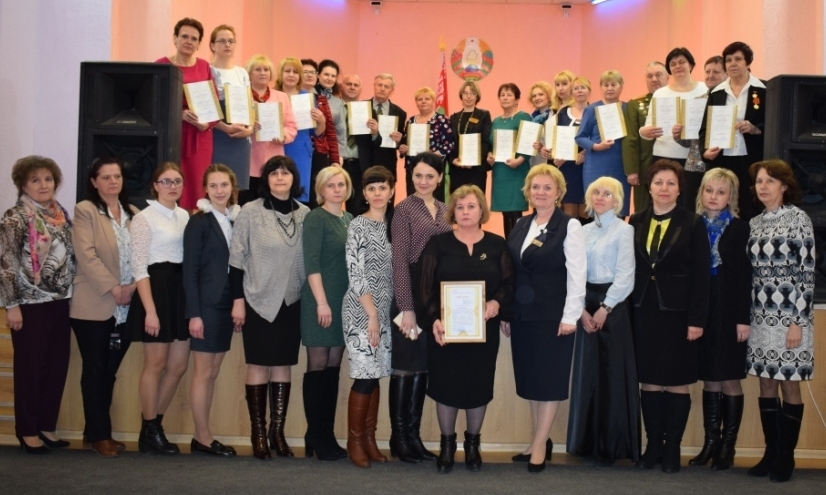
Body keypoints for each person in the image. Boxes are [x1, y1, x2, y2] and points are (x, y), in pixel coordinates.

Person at [419, 185, 514, 473]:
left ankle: (473, 445)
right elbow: (425, 287)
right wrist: (434, 319)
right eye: (459, 207)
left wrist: (497, 303)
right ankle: (447, 446)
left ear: (481, 210)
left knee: (478, 386)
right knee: (445, 387)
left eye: (471, 206)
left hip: (483, 331)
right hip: (445, 332)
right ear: (453, 212)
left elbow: (509, 282)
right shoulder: (438, 244)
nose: (465, 212)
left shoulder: (497, 244)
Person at [629, 159, 710, 474]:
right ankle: (653, 446)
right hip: (644, 311)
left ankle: (672, 448)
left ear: (679, 189)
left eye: (671, 183)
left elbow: (701, 277)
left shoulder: (692, 223)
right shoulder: (635, 220)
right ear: (649, 187)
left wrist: (697, 320)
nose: (664, 188)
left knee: (676, 382)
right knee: (649, 381)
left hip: (680, 315)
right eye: (658, 182)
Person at [506, 165, 586, 473]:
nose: (540, 192)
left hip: (553, 316)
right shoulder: (521, 224)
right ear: (528, 191)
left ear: (559, 192)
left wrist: (571, 316)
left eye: (547, 187)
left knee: (549, 381)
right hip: (523, 315)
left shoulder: (570, 225)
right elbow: (512, 271)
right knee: (531, 379)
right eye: (535, 187)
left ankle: (540, 444)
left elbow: (577, 275)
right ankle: (538, 439)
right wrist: (509, 312)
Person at [230, 155, 309, 460]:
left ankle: (278, 432)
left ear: (293, 179)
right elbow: (236, 261)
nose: (279, 177)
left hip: (291, 302)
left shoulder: (305, 214)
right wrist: (238, 302)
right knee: (258, 365)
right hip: (257, 301)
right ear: (266, 179)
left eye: (285, 173)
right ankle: (258, 433)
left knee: (283, 365)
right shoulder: (250, 211)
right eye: (274, 173)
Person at [746, 159, 814, 483]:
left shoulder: (799, 219)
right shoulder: (754, 223)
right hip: (761, 315)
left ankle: (786, 457)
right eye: (759, 181)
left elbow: (806, 273)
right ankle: (770, 453)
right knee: (766, 384)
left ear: (784, 186)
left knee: (789, 383)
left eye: (770, 181)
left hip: (791, 317)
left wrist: (798, 321)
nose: (763, 186)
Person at [1, 156, 75, 454]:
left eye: (48, 179)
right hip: (29, 305)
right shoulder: (15, 217)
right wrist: (11, 305)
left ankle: (46, 426)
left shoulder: (60, 214)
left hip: (60, 301)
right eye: (35, 180)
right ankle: (28, 430)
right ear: (23, 185)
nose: (43, 185)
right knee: (30, 369)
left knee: (56, 365)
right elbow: (5, 263)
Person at [566, 176, 638, 467]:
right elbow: (574, 273)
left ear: (617, 200)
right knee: (588, 375)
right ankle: (586, 444)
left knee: (612, 375)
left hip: (614, 306)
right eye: (596, 192)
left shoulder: (624, 230)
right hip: (586, 304)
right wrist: (582, 309)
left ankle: (613, 446)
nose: (600, 197)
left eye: (607, 193)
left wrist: (605, 307)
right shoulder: (581, 231)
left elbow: (626, 274)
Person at [69, 157, 138, 457]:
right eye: (106, 177)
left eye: (117, 176)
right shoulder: (86, 211)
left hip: (126, 304)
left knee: (109, 370)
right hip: (93, 303)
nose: (113, 182)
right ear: (94, 182)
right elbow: (86, 255)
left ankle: (94, 430)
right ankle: (100, 435)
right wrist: (114, 288)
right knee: (96, 369)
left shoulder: (133, 213)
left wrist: (131, 287)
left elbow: (142, 255)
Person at [389, 151, 452, 463]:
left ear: (440, 178)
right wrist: (407, 307)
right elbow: (399, 260)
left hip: (436, 294)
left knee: (423, 366)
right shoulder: (403, 209)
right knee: (405, 364)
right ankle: (399, 437)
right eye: (418, 176)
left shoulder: (447, 209)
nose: (423, 181)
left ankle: (413, 437)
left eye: (429, 176)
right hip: (411, 290)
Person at [687, 168, 751, 470]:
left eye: (721, 192)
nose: (714, 196)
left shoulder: (740, 228)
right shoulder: (692, 225)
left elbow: (744, 278)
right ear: (701, 192)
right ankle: (710, 442)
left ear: (731, 197)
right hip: (704, 310)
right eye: (709, 190)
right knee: (710, 377)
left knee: (729, 378)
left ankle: (728, 446)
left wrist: (743, 319)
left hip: (730, 310)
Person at [127, 162, 190, 455]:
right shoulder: (144, 218)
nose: (172, 186)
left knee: (178, 365)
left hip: (179, 291)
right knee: (156, 364)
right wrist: (150, 311)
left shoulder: (184, 215)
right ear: (155, 186)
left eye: (177, 181)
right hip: (156, 291)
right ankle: (151, 428)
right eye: (166, 181)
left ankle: (152, 428)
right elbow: (139, 268)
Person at [183, 164, 242, 457]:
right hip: (206, 305)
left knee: (213, 371)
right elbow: (190, 270)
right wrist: (194, 313)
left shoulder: (234, 219)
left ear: (232, 188)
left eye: (224, 185)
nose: (220, 191)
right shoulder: (199, 222)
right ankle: (204, 437)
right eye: (214, 185)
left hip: (226, 302)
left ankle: (201, 436)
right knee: (203, 372)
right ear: (205, 189)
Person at [342, 166, 396, 468]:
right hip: (361, 311)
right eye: (371, 189)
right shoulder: (357, 225)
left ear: (391, 191)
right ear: (364, 193)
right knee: (364, 376)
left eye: (382, 188)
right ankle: (354, 441)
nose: (377, 194)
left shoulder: (393, 225)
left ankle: (369, 438)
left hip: (385, 311)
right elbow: (355, 273)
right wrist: (372, 314)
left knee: (375, 375)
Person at [301, 166, 354, 461]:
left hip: (343, 303)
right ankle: (315, 435)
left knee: (333, 368)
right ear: (321, 190)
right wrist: (322, 303)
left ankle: (326, 434)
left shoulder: (349, 219)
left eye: (341, 184)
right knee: (318, 367)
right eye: (331, 185)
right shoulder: (315, 218)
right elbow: (312, 263)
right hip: (320, 301)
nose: (336, 189)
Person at [700, 41, 766, 220]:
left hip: (751, 159)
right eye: (728, 60)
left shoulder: (763, 90)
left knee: (749, 206)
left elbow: (773, 125)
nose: (732, 64)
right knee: (721, 206)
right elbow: (705, 128)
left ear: (748, 62)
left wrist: (755, 129)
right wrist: (705, 152)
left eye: (738, 59)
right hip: (722, 159)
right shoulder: (716, 92)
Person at [639, 48, 708, 210]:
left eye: (682, 62)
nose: (677, 66)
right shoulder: (660, 93)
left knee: (691, 203)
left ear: (691, 65)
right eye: (673, 63)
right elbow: (648, 126)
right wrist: (644, 132)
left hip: (694, 158)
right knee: (664, 201)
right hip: (663, 154)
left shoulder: (705, 90)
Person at [157, 18, 215, 209]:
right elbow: (153, 102)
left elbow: (213, 102)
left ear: (199, 44)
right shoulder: (161, 65)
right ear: (175, 39)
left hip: (199, 136)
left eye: (194, 38)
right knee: (170, 180)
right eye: (184, 36)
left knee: (197, 184)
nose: (189, 41)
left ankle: (194, 222)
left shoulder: (204, 66)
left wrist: (207, 123)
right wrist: (178, 114)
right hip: (172, 134)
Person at [671, 56, 727, 211]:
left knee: (717, 211)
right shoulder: (695, 102)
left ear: (726, 74)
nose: (710, 76)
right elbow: (688, 142)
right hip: (695, 166)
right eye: (707, 72)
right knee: (691, 211)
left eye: (716, 72)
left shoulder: (731, 101)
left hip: (721, 167)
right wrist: (678, 136)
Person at [244, 54, 297, 205]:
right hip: (248, 159)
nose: (262, 73)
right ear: (249, 74)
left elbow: (291, 126)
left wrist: (283, 136)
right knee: (248, 203)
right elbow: (235, 123)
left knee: (272, 204)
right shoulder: (243, 96)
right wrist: (248, 127)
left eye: (266, 69)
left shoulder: (282, 97)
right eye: (257, 69)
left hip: (273, 159)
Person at [576, 70, 631, 216]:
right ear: (601, 88)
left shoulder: (628, 108)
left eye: (614, 84)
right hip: (596, 165)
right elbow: (580, 137)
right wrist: (596, 146)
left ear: (621, 86)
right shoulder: (591, 109)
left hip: (620, 166)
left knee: (618, 208)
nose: (609, 88)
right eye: (606, 85)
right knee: (597, 208)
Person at [209, 25, 253, 192]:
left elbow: (250, 105)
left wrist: (249, 130)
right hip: (216, 133)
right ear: (212, 45)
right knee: (216, 183)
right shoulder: (207, 70)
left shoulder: (242, 72)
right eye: (222, 41)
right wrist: (225, 127)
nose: (227, 44)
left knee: (236, 187)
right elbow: (205, 108)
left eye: (231, 41)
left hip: (240, 138)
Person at [278, 57, 328, 204]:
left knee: (299, 193)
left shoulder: (307, 97)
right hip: (276, 146)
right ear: (280, 74)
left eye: (295, 72)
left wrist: (322, 121)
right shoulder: (273, 95)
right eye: (287, 71)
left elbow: (316, 132)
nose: (291, 75)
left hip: (301, 149)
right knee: (277, 189)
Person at [623, 62, 669, 213]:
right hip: (644, 167)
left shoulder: (677, 101)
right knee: (642, 211)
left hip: (672, 164)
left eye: (658, 75)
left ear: (667, 77)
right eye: (650, 76)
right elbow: (631, 138)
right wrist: (632, 170)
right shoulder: (635, 104)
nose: (654, 79)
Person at [488, 83, 533, 238]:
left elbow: (529, 142)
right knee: (506, 212)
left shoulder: (524, 117)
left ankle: (516, 244)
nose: (505, 98)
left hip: (517, 169)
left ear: (517, 99)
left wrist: (519, 160)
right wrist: (490, 155)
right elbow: (490, 144)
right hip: (500, 171)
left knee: (515, 210)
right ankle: (508, 244)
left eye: (509, 95)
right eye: (502, 95)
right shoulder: (496, 121)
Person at [542, 76, 590, 220]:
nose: (579, 91)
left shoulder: (595, 111)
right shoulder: (563, 113)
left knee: (586, 211)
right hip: (567, 166)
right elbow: (557, 139)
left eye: (583, 88)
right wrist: (553, 153)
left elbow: (598, 137)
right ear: (572, 92)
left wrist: (586, 152)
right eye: (576, 88)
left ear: (589, 90)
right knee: (569, 211)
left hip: (588, 165)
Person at [399, 87, 455, 199]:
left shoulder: (442, 120)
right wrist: (403, 149)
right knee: (413, 201)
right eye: (420, 99)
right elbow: (405, 143)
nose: (423, 101)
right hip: (413, 168)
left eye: (427, 99)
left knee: (434, 202)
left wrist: (435, 154)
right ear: (416, 102)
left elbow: (449, 145)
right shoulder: (411, 121)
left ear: (433, 101)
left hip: (433, 168)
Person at [354, 73, 407, 180]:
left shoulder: (400, 113)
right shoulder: (360, 107)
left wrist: (399, 141)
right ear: (374, 86)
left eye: (386, 86)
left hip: (387, 165)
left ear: (392, 90)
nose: (382, 89)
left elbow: (401, 142)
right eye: (380, 85)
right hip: (362, 164)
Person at [301, 58, 339, 208]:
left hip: (319, 154)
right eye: (305, 72)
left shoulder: (321, 100)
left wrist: (335, 160)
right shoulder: (289, 98)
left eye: (312, 72)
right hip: (299, 153)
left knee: (317, 199)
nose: (309, 75)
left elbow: (330, 132)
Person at [447, 81, 492, 193]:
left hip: (476, 169)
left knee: (476, 200)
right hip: (457, 168)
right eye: (465, 93)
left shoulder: (484, 115)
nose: (468, 96)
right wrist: (453, 160)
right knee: (457, 200)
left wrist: (473, 161)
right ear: (461, 95)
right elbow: (449, 142)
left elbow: (486, 141)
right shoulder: (453, 118)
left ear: (477, 96)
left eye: (472, 93)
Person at [338, 73, 371, 213]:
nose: (352, 87)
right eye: (348, 84)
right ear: (341, 86)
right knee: (333, 202)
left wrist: (375, 131)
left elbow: (374, 142)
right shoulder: (333, 107)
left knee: (356, 207)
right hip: (337, 163)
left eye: (356, 85)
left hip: (359, 165)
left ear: (360, 89)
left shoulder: (368, 110)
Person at [528, 81, 554, 167]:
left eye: (541, 94)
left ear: (548, 96)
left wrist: (542, 147)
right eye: (534, 96)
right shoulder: (531, 117)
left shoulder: (555, 115)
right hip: (534, 162)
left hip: (549, 162)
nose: (537, 98)